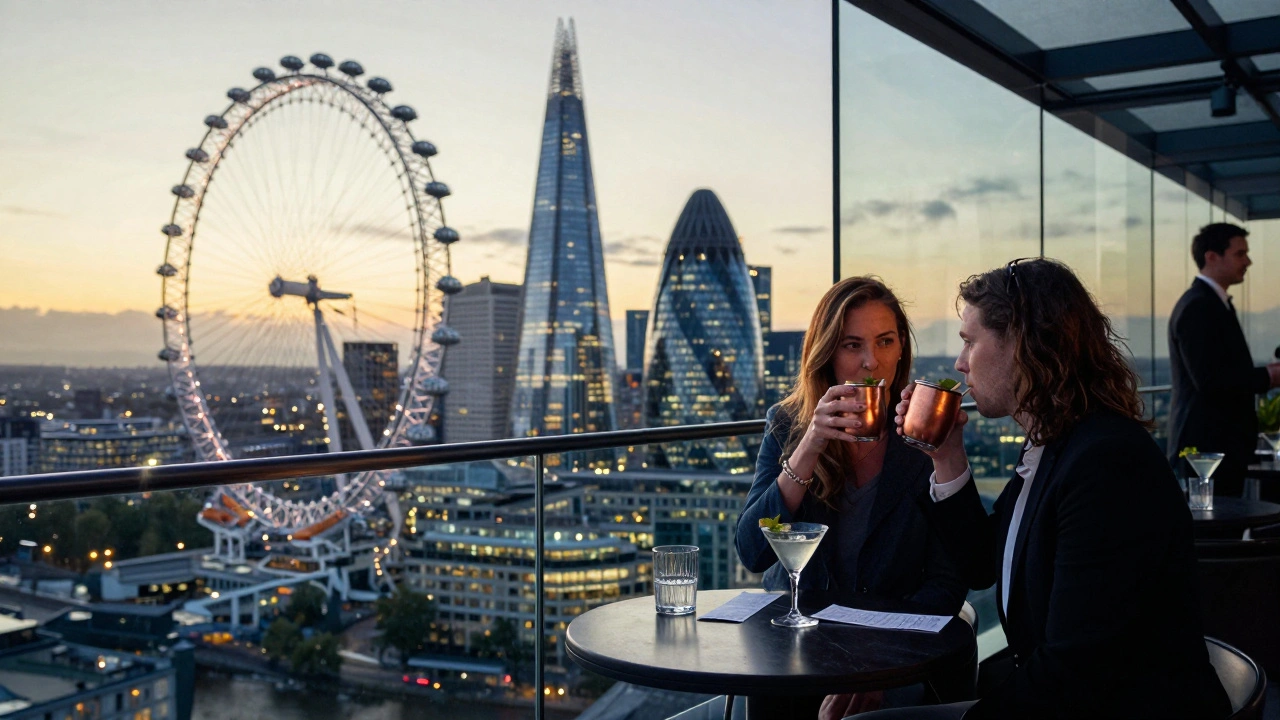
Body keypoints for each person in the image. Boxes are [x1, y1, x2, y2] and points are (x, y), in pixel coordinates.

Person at [859, 259, 1229, 720]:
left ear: (1022, 343)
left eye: (970, 342)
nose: (959, 363)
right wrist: (946, 456)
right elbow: (981, 564)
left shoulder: (1106, 465)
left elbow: (1076, 670)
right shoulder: (1055, 446)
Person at [736, 276, 968, 718]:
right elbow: (752, 551)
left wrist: (882, 664)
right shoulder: (787, 424)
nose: (870, 362)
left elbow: (948, 581)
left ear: (902, 348)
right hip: (797, 646)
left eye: (885, 341)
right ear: (826, 353)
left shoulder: (924, 429)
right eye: (851, 345)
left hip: (896, 650)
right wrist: (810, 446)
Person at [1168, 223, 1280, 497]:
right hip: (1206, 450)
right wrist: (1269, 377)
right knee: (1215, 533)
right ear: (1211, 256)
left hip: (1216, 446)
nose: (1248, 261)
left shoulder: (1211, 303)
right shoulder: (1199, 306)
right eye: (1240, 254)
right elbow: (1211, 380)